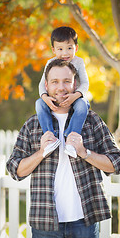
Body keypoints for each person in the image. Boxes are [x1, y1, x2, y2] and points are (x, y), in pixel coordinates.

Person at [6, 59, 120, 238]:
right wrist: (40, 153)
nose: (61, 87)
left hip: (85, 221)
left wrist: (85, 153)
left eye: (66, 81)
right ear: (46, 86)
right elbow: (15, 170)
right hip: (44, 223)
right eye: (55, 82)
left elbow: (116, 164)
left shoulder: (91, 121)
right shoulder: (33, 125)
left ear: (75, 84)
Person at [35, 26, 90, 159]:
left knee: (83, 106)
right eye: (60, 49)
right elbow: (42, 84)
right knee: (39, 104)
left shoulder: (79, 62)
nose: (65, 53)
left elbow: (85, 83)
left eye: (69, 48)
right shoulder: (50, 62)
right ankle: (50, 137)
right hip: (54, 98)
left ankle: (71, 139)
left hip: (75, 96)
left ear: (76, 48)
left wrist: (75, 96)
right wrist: (45, 97)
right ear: (53, 50)